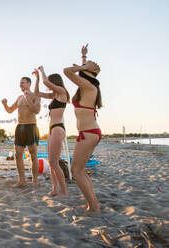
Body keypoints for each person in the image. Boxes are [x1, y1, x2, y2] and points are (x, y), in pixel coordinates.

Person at [63, 44, 102, 215]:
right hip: (88, 133)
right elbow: (78, 73)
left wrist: (84, 66)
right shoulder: (87, 86)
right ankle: (93, 204)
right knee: (80, 171)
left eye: (84, 70)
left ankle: (94, 207)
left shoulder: (89, 87)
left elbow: (67, 71)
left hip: (89, 133)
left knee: (76, 171)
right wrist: (83, 57)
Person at [34, 66, 69, 197]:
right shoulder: (54, 96)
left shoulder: (62, 92)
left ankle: (64, 191)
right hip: (51, 129)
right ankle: (55, 189)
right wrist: (37, 79)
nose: (49, 86)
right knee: (51, 162)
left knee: (55, 162)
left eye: (50, 82)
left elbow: (46, 82)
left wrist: (42, 71)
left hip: (58, 128)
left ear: (55, 82)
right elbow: (37, 93)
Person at [2, 76, 41, 187]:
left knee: (33, 155)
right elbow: (10, 110)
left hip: (31, 127)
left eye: (23, 83)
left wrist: (29, 100)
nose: (21, 85)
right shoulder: (19, 97)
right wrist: (5, 104)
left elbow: (37, 110)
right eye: (20, 83)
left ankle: (35, 181)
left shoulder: (35, 96)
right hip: (20, 127)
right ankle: (22, 181)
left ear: (29, 83)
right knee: (18, 155)